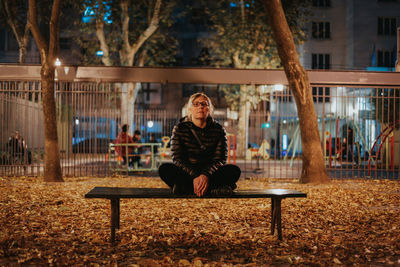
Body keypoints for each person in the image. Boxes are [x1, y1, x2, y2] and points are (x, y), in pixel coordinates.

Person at [158, 92, 241, 196]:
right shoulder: (180, 129)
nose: (200, 107)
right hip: (188, 173)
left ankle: (186, 189)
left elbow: (220, 158)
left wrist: (205, 175)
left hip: (210, 173)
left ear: (209, 109)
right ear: (190, 109)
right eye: (196, 104)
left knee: (234, 170)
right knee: (164, 169)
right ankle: (213, 189)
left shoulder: (218, 129)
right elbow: (177, 158)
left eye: (204, 104)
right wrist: (196, 175)